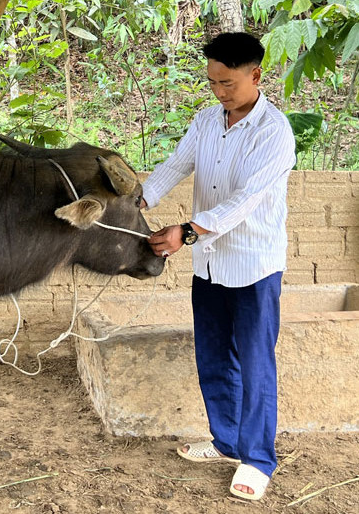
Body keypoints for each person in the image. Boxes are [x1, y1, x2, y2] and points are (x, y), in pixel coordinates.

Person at [140, 32, 296, 502]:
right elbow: (175, 164)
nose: (219, 92)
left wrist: (186, 232)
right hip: (209, 266)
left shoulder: (275, 133)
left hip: (253, 267)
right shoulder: (207, 121)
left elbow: (244, 202)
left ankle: (257, 459)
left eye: (227, 83)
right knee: (212, 358)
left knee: (254, 364)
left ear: (255, 76)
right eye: (212, 82)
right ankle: (226, 441)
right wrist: (137, 200)